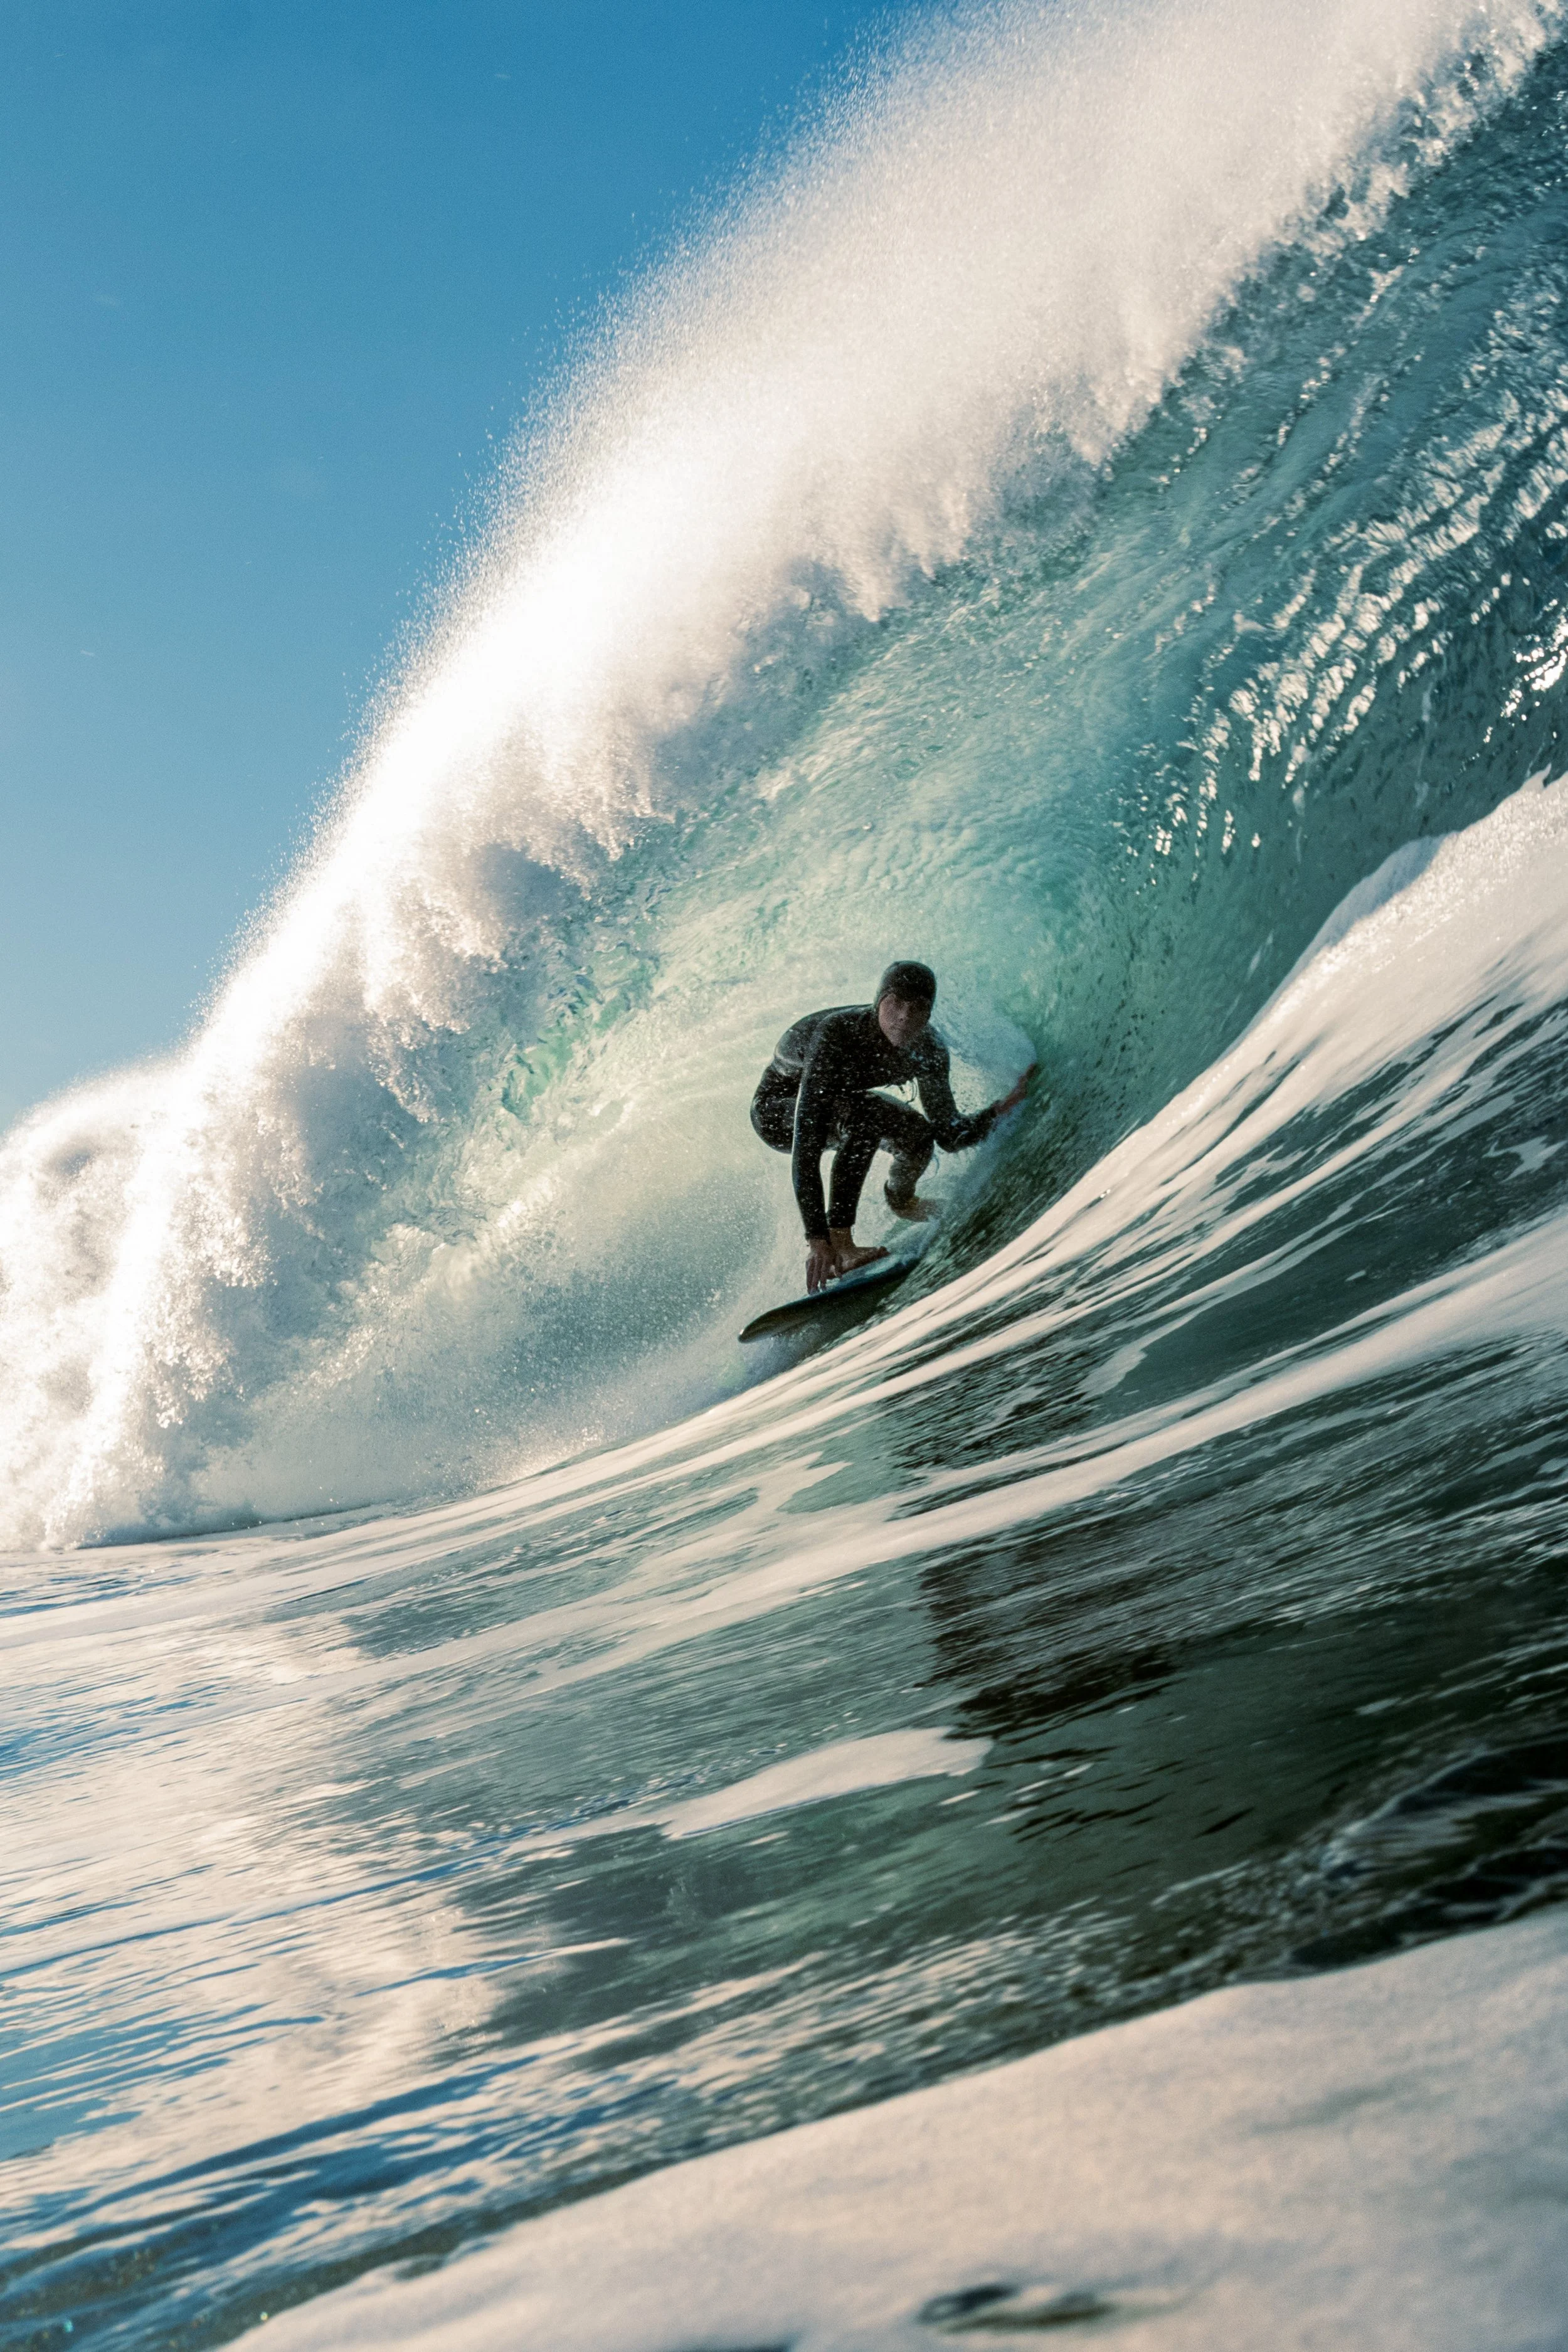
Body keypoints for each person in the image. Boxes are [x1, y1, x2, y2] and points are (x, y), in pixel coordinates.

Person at [751, 960, 1035, 1293]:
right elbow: (807, 1145)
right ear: (879, 1001)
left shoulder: (928, 1050)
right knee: (865, 1117)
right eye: (897, 1002)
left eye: (917, 1008)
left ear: (928, 1014)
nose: (904, 1016)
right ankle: (842, 1244)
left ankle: (903, 1202)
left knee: (918, 1136)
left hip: (846, 1107)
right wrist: (817, 1239)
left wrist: (1001, 1111)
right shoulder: (838, 1033)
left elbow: (948, 1134)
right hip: (779, 1113)